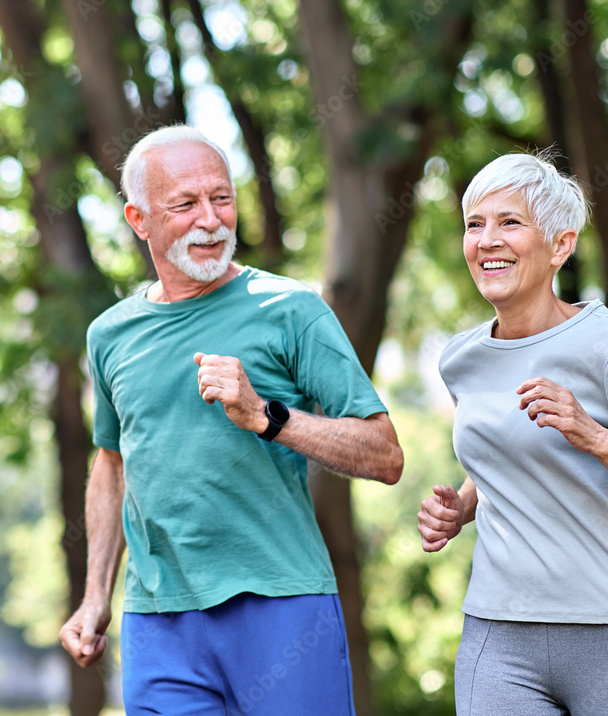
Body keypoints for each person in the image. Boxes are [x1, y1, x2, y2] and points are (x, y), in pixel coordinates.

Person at [59, 125, 403, 715]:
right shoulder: (110, 335)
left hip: (283, 605)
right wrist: (95, 596)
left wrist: (267, 416)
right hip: (158, 624)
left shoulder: (291, 309)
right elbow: (112, 465)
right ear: (139, 220)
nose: (210, 219)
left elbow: (385, 454)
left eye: (221, 198)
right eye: (185, 204)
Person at [417, 152, 608, 716]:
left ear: (560, 245)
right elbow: (508, 456)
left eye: (509, 222)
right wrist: (461, 507)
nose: (487, 239)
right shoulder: (461, 359)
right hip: (498, 637)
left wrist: (594, 435)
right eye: (474, 224)